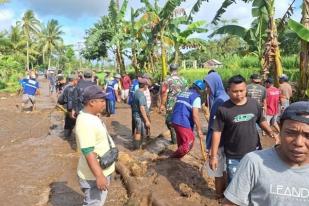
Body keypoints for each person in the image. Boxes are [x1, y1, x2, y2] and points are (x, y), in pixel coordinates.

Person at [223, 101, 309, 206]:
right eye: (290, 133)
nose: (298, 143)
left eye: (307, 135)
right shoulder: (254, 162)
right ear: (280, 130)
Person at [209, 75, 280, 183]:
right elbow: (217, 132)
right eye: (235, 91)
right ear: (228, 91)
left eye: (241, 91)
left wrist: (270, 131)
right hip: (233, 156)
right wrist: (213, 156)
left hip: (255, 153)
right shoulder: (223, 109)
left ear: (246, 89)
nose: (239, 94)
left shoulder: (253, 104)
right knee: (235, 184)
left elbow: (261, 120)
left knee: (255, 182)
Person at [75, 85, 115, 206]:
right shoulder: (86, 122)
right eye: (102, 101)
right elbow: (88, 151)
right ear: (91, 102)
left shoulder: (91, 116)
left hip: (101, 170)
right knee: (94, 203)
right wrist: (99, 175)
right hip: (93, 176)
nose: (104, 103)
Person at [204, 71, 229, 199]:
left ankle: (218, 196)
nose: (206, 90)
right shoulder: (225, 96)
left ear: (215, 84)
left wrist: (210, 149)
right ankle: (224, 193)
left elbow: (214, 128)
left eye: (208, 86)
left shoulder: (219, 101)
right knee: (224, 169)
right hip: (228, 141)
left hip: (218, 143)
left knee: (217, 172)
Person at [169, 80, 205, 158]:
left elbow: (176, 106)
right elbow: (195, 115)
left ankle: (177, 161)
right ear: (200, 90)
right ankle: (172, 158)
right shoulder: (196, 97)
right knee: (189, 142)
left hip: (175, 119)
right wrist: (199, 130)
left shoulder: (182, 93)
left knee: (181, 141)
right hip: (182, 121)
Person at [160, 64, 187, 144]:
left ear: (169, 69)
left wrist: (162, 104)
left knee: (170, 122)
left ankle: (174, 142)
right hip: (182, 104)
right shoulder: (183, 79)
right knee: (180, 121)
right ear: (177, 69)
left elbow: (164, 94)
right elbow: (187, 92)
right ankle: (181, 140)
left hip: (171, 105)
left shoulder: (167, 80)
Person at [131, 78, 151, 149]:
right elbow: (142, 108)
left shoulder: (136, 92)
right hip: (140, 116)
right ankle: (139, 149)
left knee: (138, 131)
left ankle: (136, 149)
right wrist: (147, 120)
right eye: (147, 85)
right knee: (140, 132)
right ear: (145, 86)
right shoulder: (141, 95)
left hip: (135, 114)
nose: (147, 87)